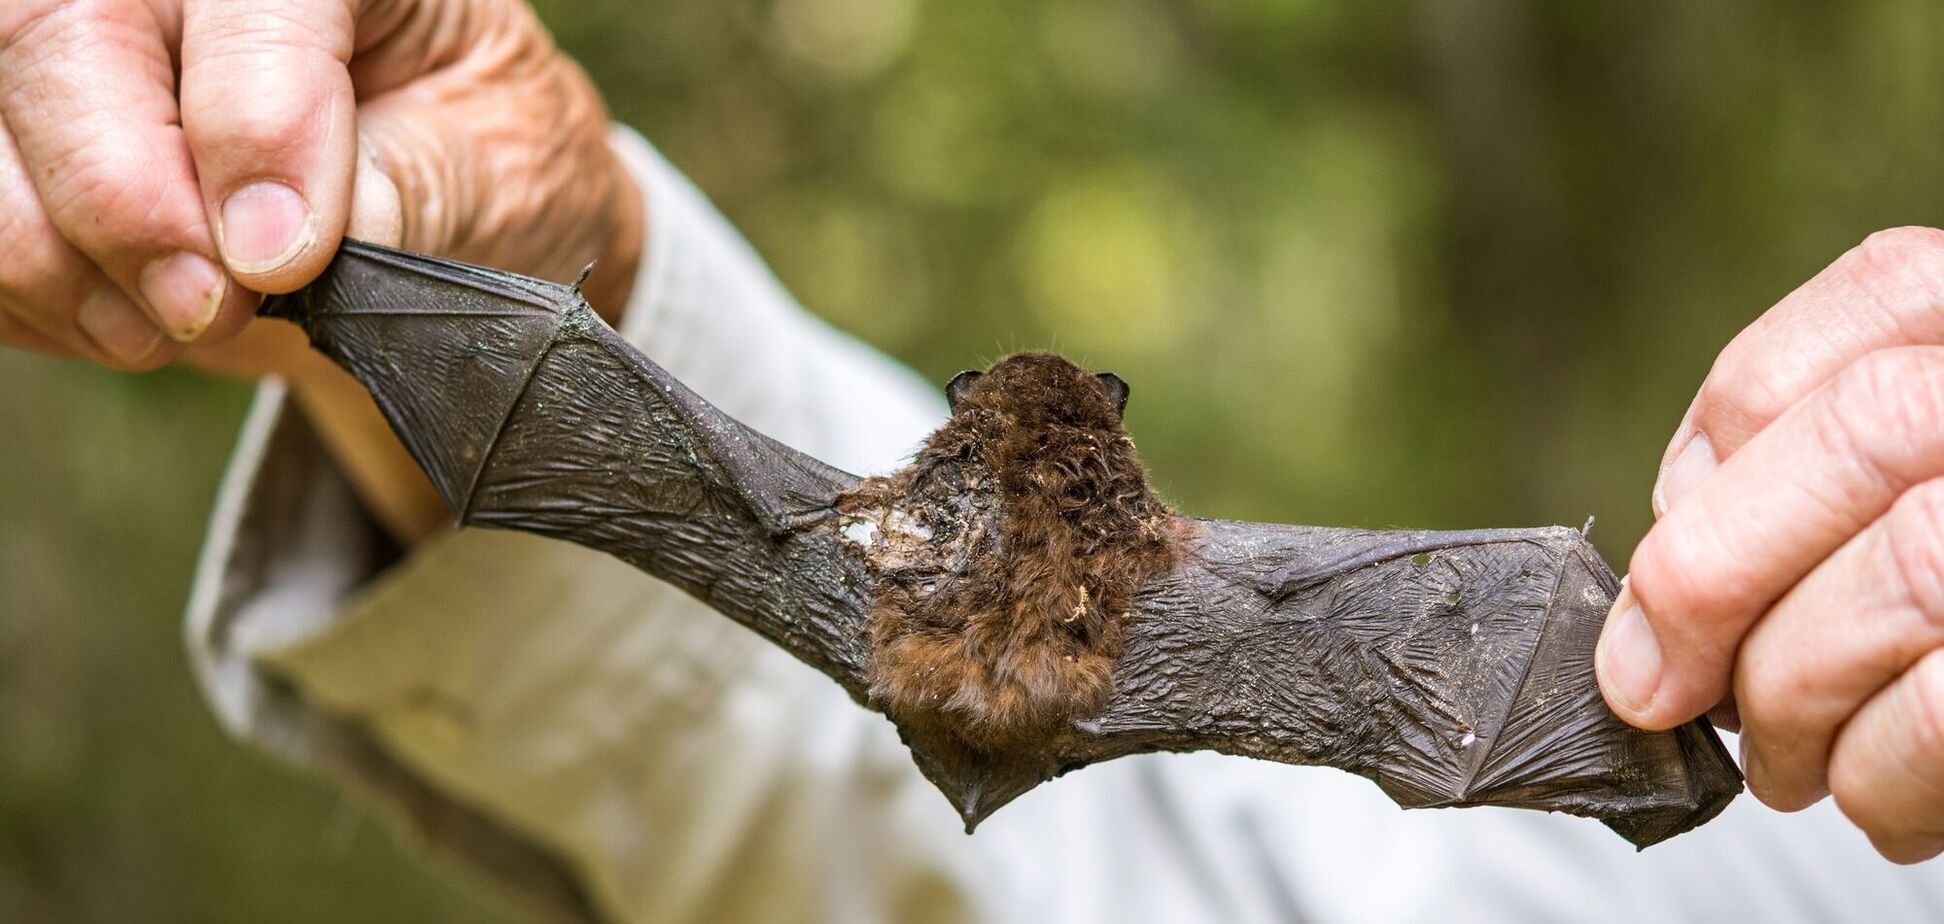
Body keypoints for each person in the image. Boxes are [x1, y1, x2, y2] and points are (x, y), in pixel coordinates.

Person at [3, 1, 1942, 921]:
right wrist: (553, 261)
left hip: (987, 637)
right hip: (987, 645)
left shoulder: (1217, 605)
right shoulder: (1173, 598)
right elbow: (1178, 882)